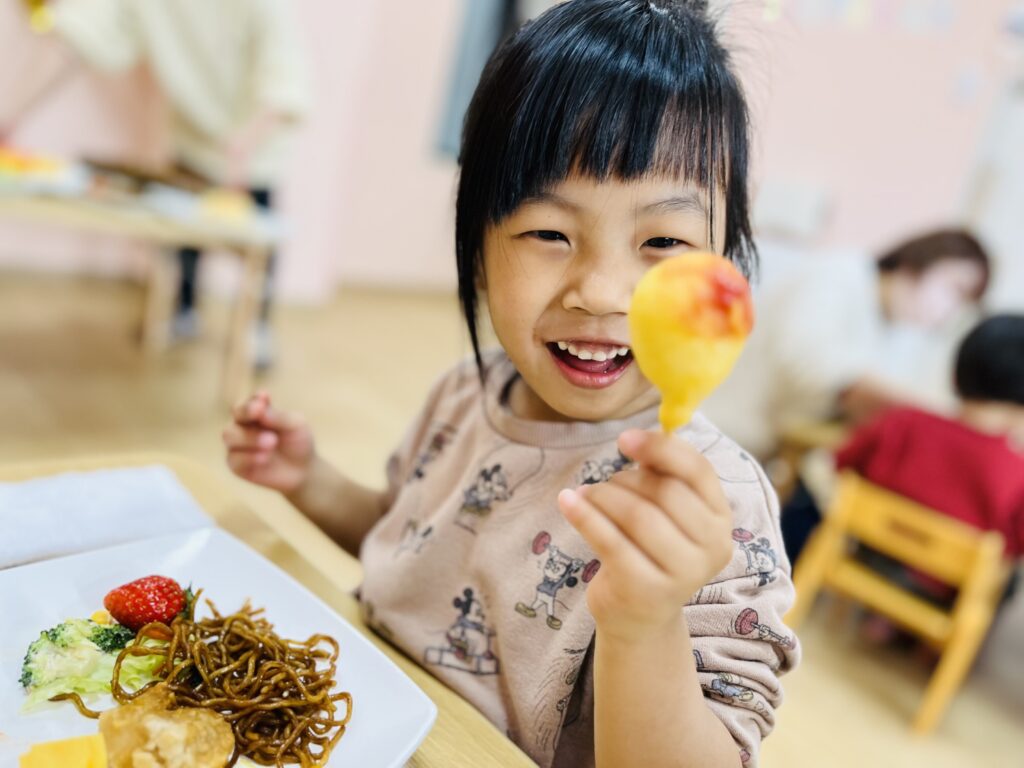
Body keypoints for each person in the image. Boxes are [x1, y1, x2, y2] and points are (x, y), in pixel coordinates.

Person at [224, 3, 798, 767]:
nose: (601, 291)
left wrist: (645, 623)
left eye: (663, 240)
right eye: (549, 233)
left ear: (725, 260)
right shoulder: (467, 394)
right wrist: (310, 482)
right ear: (478, 250)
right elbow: (408, 549)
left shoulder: (715, 505)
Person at [2, 0, 311, 367]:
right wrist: (11, 115)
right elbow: (76, 35)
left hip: (257, 144)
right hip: (191, 138)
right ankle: (184, 309)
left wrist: (243, 146)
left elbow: (283, 79)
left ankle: (256, 326)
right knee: (184, 239)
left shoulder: (263, 8)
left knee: (255, 242)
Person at [701, 228, 991, 460]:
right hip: (716, 429)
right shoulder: (839, 274)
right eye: (955, 289)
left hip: (758, 453)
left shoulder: (897, 332)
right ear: (921, 262)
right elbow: (807, 364)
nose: (949, 310)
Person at [782, 314, 1024, 571]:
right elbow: (1014, 548)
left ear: (955, 376)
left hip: (861, 555)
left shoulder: (905, 422)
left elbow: (839, 463)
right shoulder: (1017, 474)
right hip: (941, 585)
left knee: (811, 485)